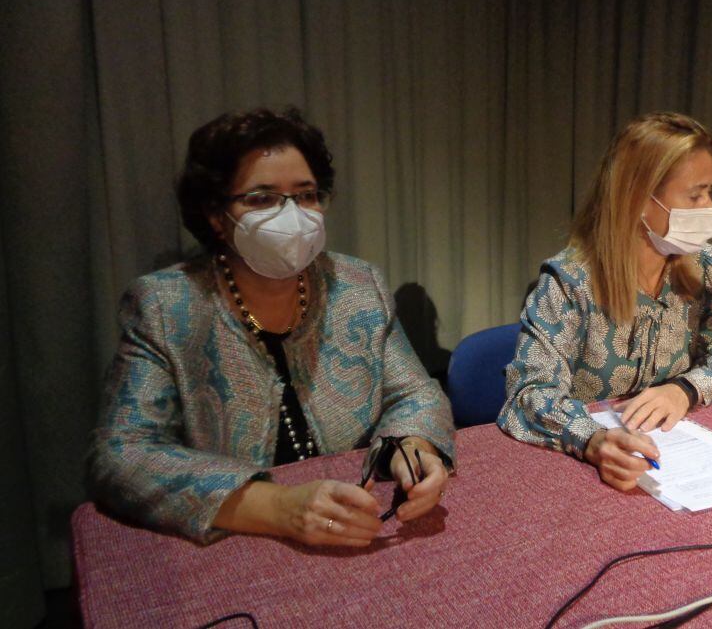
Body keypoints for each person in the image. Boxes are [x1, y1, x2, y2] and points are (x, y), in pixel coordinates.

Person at [88, 108, 454, 546]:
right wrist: (275, 508)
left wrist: (413, 449)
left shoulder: (358, 286)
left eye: (305, 195)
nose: (292, 216)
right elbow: (121, 453)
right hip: (242, 542)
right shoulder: (167, 306)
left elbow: (414, 393)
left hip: (364, 516)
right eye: (262, 199)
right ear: (216, 215)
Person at [497, 112, 712, 492]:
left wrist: (684, 391)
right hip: (586, 475)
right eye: (695, 194)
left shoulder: (703, 267)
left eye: (710, 190)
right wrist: (592, 440)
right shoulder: (570, 281)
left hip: (673, 460)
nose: (709, 205)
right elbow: (529, 393)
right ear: (638, 198)